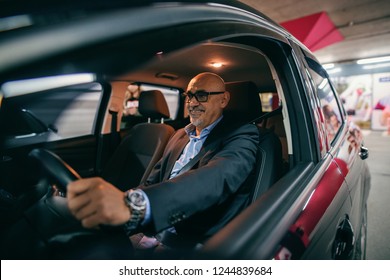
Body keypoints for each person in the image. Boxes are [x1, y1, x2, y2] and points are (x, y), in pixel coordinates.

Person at [67, 72, 260, 258]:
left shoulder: (242, 135)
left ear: (224, 100)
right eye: (189, 96)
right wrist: (126, 210)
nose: (192, 103)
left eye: (202, 96)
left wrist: (138, 207)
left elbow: (216, 178)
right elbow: (152, 182)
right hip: (153, 227)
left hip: (191, 239)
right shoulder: (179, 135)